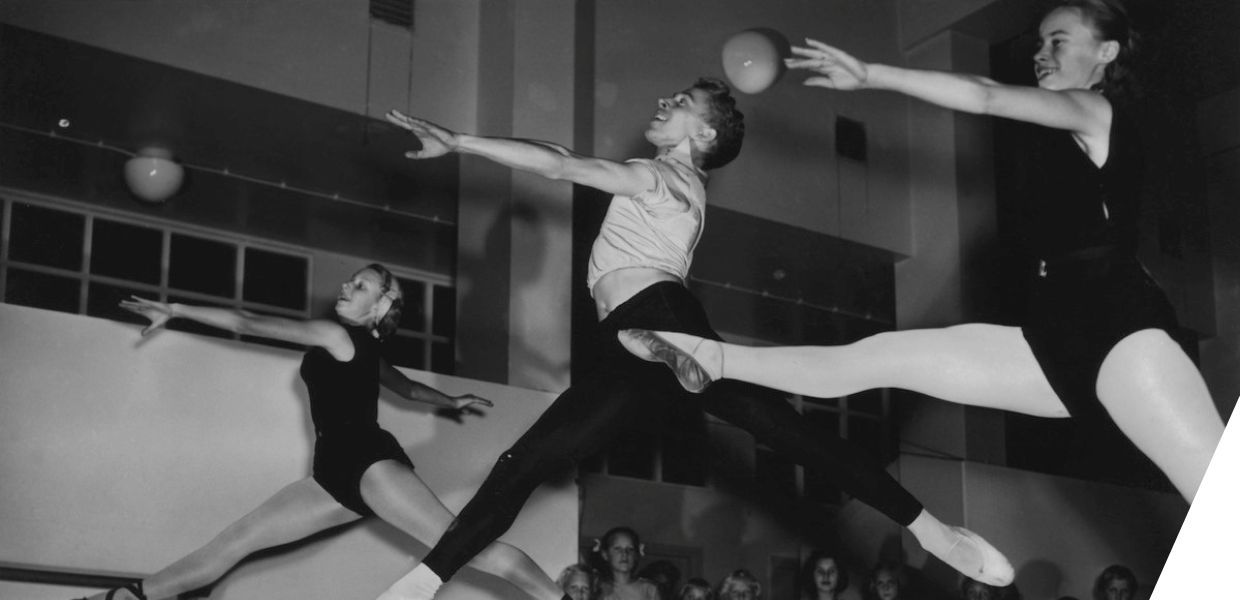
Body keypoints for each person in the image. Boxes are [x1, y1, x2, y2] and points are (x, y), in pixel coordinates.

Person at [376, 77, 1012, 600]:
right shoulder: (677, 184)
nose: (662, 101)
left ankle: (422, 580)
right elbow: (551, 147)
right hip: (640, 333)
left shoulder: (664, 179)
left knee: (528, 463)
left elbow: (560, 164)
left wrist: (460, 140)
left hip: (655, 316)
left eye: (679, 103)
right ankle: (931, 529)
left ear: (703, 134)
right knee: (785, 432)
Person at [618, 0, 1223, 503]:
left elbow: (986, 96)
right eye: (1040, 40)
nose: (1042, 52)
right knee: (879, 356)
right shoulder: (1056, 140)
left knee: (1221, 510)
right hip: (1052, 337)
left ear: (1106, 54)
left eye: (1059, 40)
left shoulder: (1097, 110)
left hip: (1119, 331)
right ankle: (705, 357)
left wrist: (875, 76)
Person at [78, 264, 563, 600]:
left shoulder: (336, 336)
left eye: (363, 285)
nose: (348, 287)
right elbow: (408, 388)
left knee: (462, 545)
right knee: (236, 542)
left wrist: (177, 308)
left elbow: (249, 321)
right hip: (331, 474)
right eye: (350, 281)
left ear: (383, 303)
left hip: (369, 462)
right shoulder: (362, 348)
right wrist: (451, 401)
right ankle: (131, 595)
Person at [591, 526, 660, 600]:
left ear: (636, 555)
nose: (624, 554)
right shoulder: (597, 588)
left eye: (630, 549)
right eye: (617, 549)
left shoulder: (649, 589)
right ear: (605, 555)